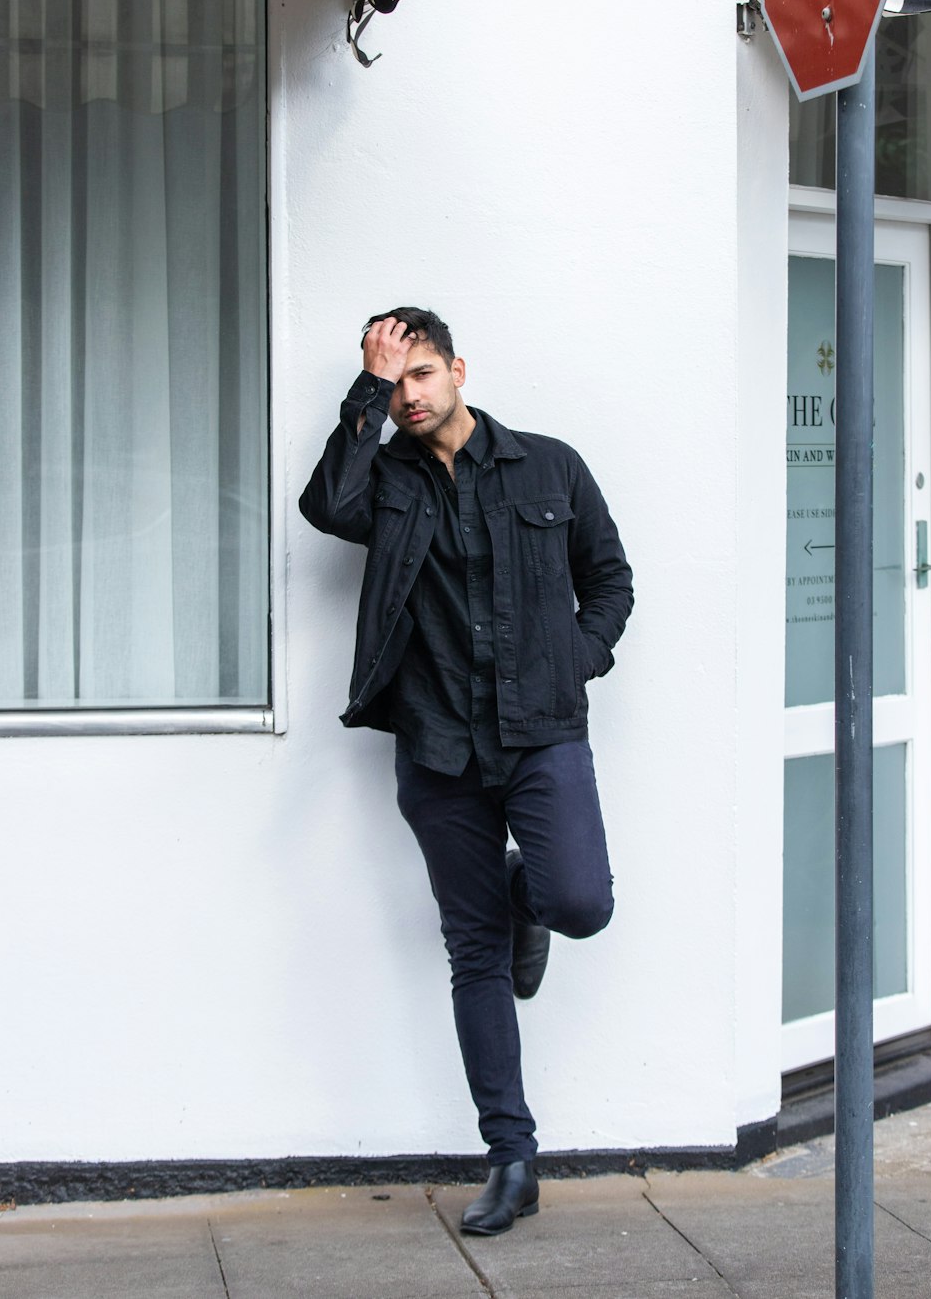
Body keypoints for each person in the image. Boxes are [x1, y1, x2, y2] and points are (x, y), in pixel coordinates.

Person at [299, 308, 633, 1236]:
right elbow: (327, 505)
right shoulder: (386, 479)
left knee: (582, 903)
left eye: (420, 374)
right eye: (393, 381)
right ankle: (511, 1156)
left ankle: (531, 895)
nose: (409, 396)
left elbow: (611, 579)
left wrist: (579, 655)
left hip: (541, 732)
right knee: (473, 951)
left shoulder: (549, 465)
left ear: (458, 371)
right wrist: (360, 393)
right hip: (439, 744)